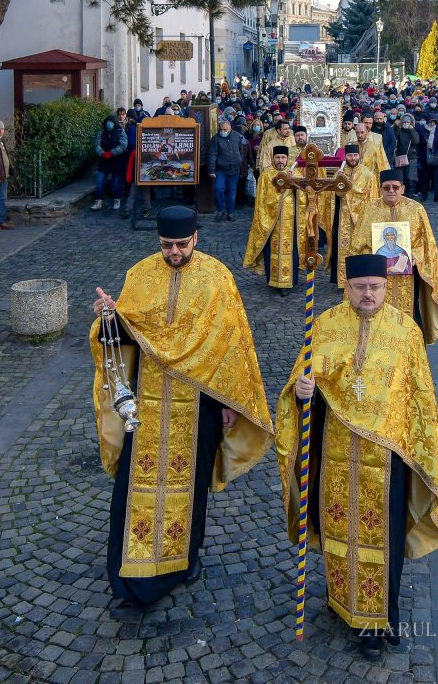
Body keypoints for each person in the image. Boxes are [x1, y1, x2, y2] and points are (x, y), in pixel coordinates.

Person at [90, 206, 273, 619]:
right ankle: (133, 580)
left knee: (191, 487)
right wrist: (109, 318)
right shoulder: (140, 275)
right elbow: (127, 336)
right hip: (147, 404)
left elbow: (232, 344)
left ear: (196, 238)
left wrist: (227, 401)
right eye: (167, 245)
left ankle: (186, 561)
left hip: (200, 403)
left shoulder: (217, 278)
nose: (174, 252)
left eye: (181, 245)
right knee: (134, 486)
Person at [275, 253, 438, 657]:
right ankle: (342, 602)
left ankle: (377, 622)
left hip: (387, 462)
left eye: (375, 287)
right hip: (335, 456)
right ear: (347, 288)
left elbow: (420, 400)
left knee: (382, 542)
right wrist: (302, 393)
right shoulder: (324, 325)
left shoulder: (406, 332)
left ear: (387, 287)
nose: (368, 294)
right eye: (359, 287)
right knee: (337, 532)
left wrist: (421, 455)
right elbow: (302, 385)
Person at [351, 169, 438, 345]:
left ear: (403, 188)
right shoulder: (369, 210)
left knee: (411, 311)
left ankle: (413, 347)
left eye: (395, 187)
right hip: (378, 276)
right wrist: (373, 258)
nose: (391, 191)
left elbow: (427, 244)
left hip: (408, 276)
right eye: (386, 187)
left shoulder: (416, 209)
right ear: (380, 189)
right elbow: (358, 244)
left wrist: (413, 255)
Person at [243, 147, 299, 296]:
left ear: (287, 159)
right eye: (277, 157)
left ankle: (288, 283)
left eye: (283, 158)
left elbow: (303, 197)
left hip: (291, 222)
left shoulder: (294, 174)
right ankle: (273, 281)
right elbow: (262, 201)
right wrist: (281, 194)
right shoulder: (266, 176)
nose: (280, 160)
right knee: (271, 251)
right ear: (273, 158)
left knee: (291, 251)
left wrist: (293, 183)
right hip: (271, 221)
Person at [328, 144, 379, 288]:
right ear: (345, 157)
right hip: (341, 217)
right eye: (350, 156)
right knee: (340, 247)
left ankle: (359, 279)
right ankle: (341, 280)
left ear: (359, 156)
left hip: (360, 219)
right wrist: (338, 182)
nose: (352, 158)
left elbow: (372, 198)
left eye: (355, 155)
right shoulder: (340, 172)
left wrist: (346, 187)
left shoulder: (368, 174)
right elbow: (333, 196)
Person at [207, 118, 247, 222]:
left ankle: (230, 212)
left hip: (234, 168)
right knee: (218, 189)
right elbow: (212, 155)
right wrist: (211, 170)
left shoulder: (237, 136)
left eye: (225, 130)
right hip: (221, 169)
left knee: (232, 191)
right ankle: (221, 209)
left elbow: (241, 150)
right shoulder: (216, 139)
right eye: (221, 129)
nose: (223, 131)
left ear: (230, 128)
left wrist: (239, 160)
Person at [91, 114, 128, 211]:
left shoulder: (120, 131)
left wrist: (112, 152)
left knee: (116, 182)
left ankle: (117, 200)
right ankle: (98, 202)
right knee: (100, 181)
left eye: (111, 122)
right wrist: (102, 153)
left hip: (116, 161)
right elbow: (96, 144)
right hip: (104, 161)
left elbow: (124, 145)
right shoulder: (102, 132)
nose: (109, 124)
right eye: (107, 122)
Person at [417, 116, 438, 203]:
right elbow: (419, 143)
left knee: (437, 178)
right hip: (424, 156)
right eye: (430, 121)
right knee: (425, 177)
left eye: (434, 122)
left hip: (435, 156)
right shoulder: (421, 129)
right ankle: (424, 195)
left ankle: (437, 196)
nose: (432, 123)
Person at [393, 114, 419, 190]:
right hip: (400, 156)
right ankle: (402, 192)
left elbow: (416, 141)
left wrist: (412, 130)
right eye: (404, 122)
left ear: (411, 123)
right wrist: (396, 127)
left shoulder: (413, 131)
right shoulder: (399, 131)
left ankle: (411, 192)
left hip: (411, 157)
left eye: (408, 122)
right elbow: (394, 139)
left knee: (411, 177)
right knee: (401, 177)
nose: (406, 124)